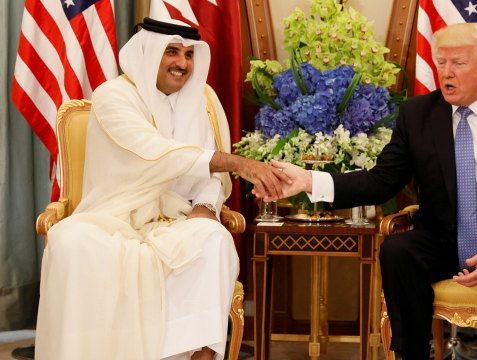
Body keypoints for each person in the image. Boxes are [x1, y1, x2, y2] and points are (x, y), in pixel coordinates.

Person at [269, 22, 477, 360]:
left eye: (458, 63)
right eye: (440, 62)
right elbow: (382, 180)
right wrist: (312, 181)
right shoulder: (418, 114)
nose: (446, 73)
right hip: (444, 239)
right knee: (398, 250)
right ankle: (412, 355)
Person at [35, 18, 290, 360]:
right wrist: (239, 163)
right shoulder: (113, 96)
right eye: (172, 51)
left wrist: (207, 205)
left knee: (213, 239)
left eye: (188, 54)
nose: (182, 63)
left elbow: (211, 179)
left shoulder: (201, 100)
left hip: (176, 217)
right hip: (111, 216)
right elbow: (153, 151)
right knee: (71, 242)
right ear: (147, 52)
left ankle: (198, 356)